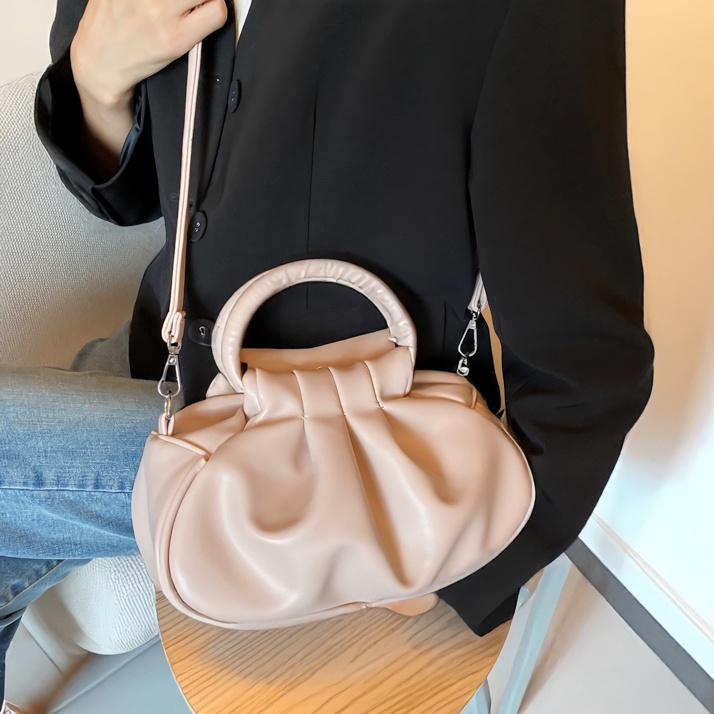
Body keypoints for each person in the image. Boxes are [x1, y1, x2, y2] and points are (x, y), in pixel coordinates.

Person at [1, 0, 655, 708]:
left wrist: (455, 567)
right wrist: (96, 82)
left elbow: (587, 362)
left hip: (348, 447)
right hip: (162, 362)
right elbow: (136, 193)